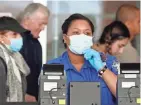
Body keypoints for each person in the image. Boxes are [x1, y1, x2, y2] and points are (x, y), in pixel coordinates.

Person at [47, 14, 128, 105]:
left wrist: (102, 69)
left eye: (87, 33)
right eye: (76, 33)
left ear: (91, 38)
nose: (82, 37)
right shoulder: (52, 68)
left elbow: (127, 97)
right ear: (65, 38)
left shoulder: (109, 63)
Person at [16, 3, 50, 101]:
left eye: (45, 24)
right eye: (41, 24)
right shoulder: (13, 40)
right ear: (27, 20)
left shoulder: (36, 44)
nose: (43, 28)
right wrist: (23, 94)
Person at [0, 16, 30, 102]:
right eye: (14, 34)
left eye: (20, 34)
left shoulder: (16, 58)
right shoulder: (2, 61)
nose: (20, 37)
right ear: (1, 38)